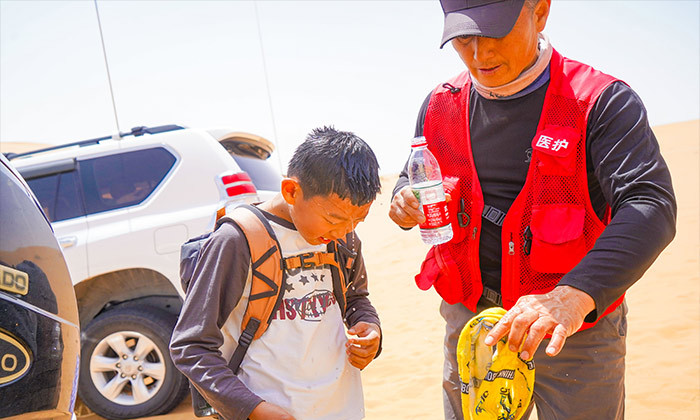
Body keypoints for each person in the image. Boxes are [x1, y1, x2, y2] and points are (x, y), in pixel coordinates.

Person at [388, 1, 676, 419]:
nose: (480, 53)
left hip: (571, 334)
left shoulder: (600, 101)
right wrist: (403, 197)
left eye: (495, 33)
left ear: (539, 12)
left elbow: (650, 203)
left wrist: (572, 297)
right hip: (474, 329)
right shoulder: (439, 105)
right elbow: (413, 175)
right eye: (464, 38)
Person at [171, 126, 382, 420]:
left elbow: (356, 298)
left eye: (358, 221)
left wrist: (370, 328)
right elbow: (190, 346)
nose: (344, 231)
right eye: (333, 219)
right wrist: (253, 410)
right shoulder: (238, 240)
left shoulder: (343, 237)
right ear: (291, 191)